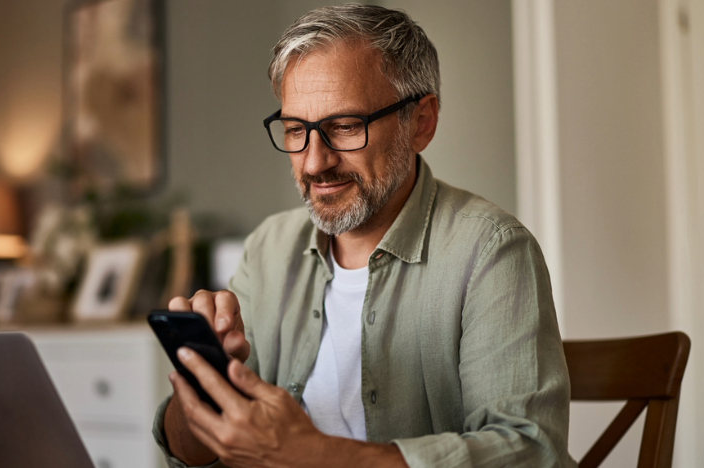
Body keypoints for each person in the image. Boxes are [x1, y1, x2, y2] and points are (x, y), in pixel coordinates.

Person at [153, 4, 572, 467]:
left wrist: (312, 454)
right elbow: (189, 455)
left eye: (345, 127)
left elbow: (531, 452)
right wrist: (203, 387)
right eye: (295, 130)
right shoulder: (268, 249)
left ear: (422, 122)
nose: (315, 162)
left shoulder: (492, 252)